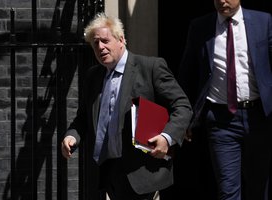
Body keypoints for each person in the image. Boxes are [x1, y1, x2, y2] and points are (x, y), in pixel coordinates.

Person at [61, 12, 192, 200]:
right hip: (108, 172)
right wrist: (71, 136)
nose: (100, 47)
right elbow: (83, 117)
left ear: (121, 39)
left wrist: (167, 137)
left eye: (105, 41)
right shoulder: (93, 76)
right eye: (95, 43)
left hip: (142, 170)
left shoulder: (150, 67)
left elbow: (183, 106)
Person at [177, 0, 272, 200]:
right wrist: (183, 116)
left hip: (259, 117)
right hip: (221, 121)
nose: (221, 1)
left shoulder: (263, 21)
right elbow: (187, 72)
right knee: (228, 191)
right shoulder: (200, 27)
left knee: (258, 186)